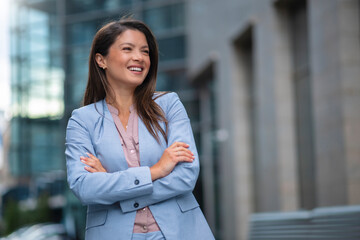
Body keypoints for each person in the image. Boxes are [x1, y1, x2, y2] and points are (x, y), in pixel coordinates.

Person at [65, 18, 215, 240]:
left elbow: (186, 176)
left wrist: (115, 186)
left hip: (179, 232)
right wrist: (156, 170)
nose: (139, 57)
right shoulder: (82, 120)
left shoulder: (169, 104)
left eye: (145, 52)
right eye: (127, 49)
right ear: (101, 59)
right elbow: (85, 187)